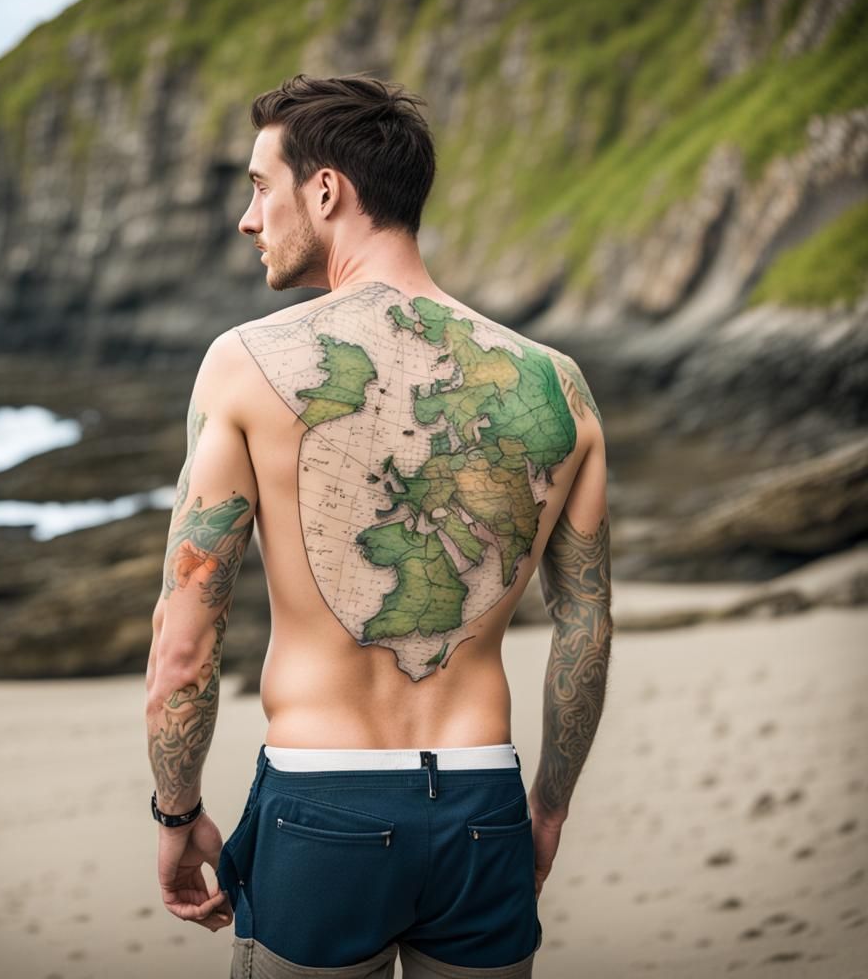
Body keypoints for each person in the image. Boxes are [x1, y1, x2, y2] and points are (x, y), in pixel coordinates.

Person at [145, 72, 613, 979]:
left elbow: (185, 638)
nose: (248, 219)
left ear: (326, 191)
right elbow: (586, 625)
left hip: (322, 807)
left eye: (260, 187)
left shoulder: (243, 365)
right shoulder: (558, 384)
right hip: (483, 803)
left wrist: (177, 811)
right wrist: (547, 809)